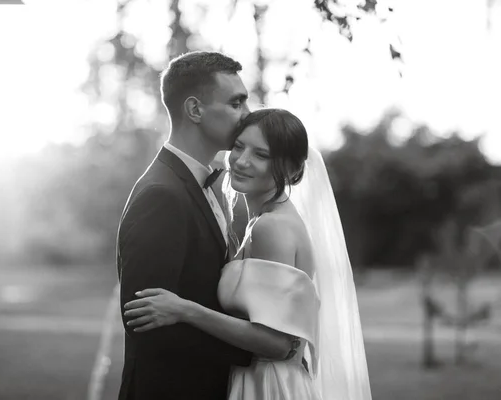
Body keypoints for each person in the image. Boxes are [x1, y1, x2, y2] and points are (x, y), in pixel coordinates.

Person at [124, 108, 373, 400]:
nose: (241, 161)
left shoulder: (272, 228)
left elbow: (276, 343)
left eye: (261, 155)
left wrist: (184, 309)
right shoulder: (264, 219)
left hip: (267, 385)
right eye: (239, 147)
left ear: (292, 169)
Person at [116, 51, 254, 400]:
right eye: (236, 103)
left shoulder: (203, 185)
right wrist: (253, 350)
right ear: (195, 110)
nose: (247, 116)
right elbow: (145, 325)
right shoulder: (162, 195)